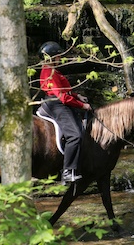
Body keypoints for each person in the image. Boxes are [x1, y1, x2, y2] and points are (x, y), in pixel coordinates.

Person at [38, 41, 92, 184]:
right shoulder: (49, 72)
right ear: (52, 57)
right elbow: (62, 97)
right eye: (58, 56)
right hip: (56, 104)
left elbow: (65, 91)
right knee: (75, 136)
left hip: (57, 101)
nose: (60, 59)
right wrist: (82, 105)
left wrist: (77, 96)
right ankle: (68, 171)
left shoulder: (52, 70)